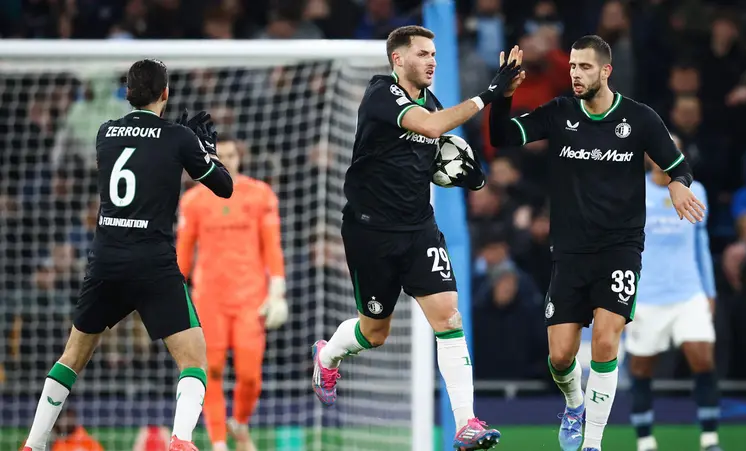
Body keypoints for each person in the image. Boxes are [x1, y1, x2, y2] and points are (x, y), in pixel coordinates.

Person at [488, 36, 706, 451]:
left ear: (606, 71)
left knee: (606, 341)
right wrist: (503, 95)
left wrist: (678, 183)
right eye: (573, 66)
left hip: (620, 249)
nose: (576, 73)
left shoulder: (639, 118)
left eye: (585, 67)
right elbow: (502, 137)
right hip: (569, 253)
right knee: (560, 357)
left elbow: (680, 165)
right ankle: (574, 405)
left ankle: (592, 442)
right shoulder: (559, 113)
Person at [310, 25, 521, 450]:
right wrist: (487, 94)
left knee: (449, 318)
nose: (432, 61)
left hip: (418, 228)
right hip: (370, 233)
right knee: (375, 332)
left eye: (434, 55)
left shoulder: (434, 103)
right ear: (398, 59)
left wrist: (471, 176)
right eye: (423, 54)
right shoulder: (381, 94)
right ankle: (327, 355)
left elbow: (443, 150)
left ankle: (466, 424)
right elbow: (428, 128)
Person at [22, 59, 234, 451]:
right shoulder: (178, 138)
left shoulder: (105, 132)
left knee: (72, 356)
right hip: (153, 263)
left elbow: (141, 156)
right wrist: (206, 152)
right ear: (165, 93)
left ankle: (32, 444)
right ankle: (181, 440)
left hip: (107, 261)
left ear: (128, 93)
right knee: (193, 360)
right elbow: (224, 187)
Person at [177, 135, 287, 451]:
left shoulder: (260, 195)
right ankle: (218, 442)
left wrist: (277, 290)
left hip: (250, 299)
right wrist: (173, 295)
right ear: (211, 160)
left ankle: (239, 421)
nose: (226, 161)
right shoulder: (193, 201)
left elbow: (272, 246)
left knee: (250, 375)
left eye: (230, 155)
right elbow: (183, 254)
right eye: (219, 156)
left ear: (239, 158)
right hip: (208, 299)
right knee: (209, 370)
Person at [627, 136, 722, 451]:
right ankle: (645, 440)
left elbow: (700, 244)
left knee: (702, 358)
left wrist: (709, 291)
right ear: (648, 156)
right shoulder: (633, 190)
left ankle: (709, 439)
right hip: (645, 296)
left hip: (688, 292)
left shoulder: (697, 190)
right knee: (641, 368)